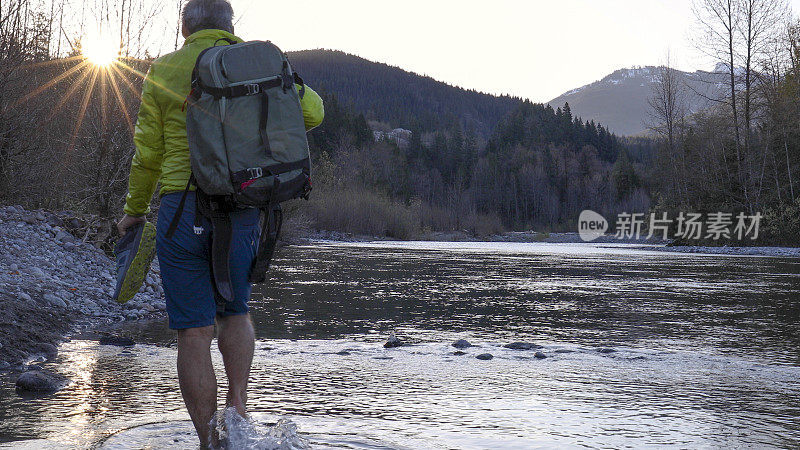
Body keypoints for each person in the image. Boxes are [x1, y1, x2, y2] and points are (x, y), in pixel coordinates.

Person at [116, 0, 324, 446]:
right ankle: (239, 408)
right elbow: (314, 113)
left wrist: (134, 209)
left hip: (180, 207)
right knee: (235, 310)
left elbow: (148, 153)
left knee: (193, 329)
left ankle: (209, 441)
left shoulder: (165, 69)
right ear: (231, 26)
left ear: (185, 27)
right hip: (243, 205)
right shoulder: (254, 64)